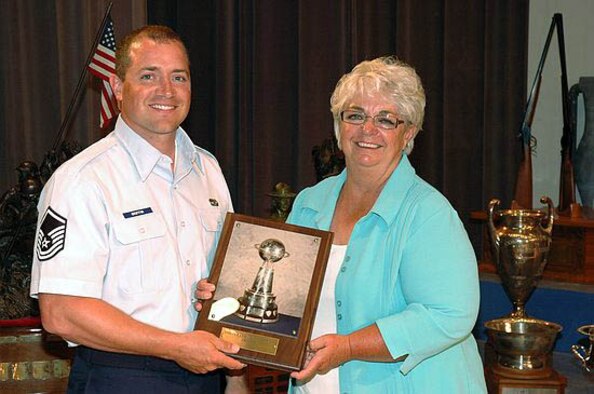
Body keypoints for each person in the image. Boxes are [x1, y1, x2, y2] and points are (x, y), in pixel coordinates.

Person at [30, 25, 248, 393]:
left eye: (178, 77)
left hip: (207, 372)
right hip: (122, 376)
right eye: (149, 76)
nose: (166, 90)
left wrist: (234, 381)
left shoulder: (208, 170)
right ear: (117, 88)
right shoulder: (83, 180)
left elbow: (223, 287)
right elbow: (61, 313)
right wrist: (177, 347)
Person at [287, 57, 487, 393]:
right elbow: (282, 291)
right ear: (339, 127)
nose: (368, 130)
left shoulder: (428, 214)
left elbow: (449, 314)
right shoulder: (309, 203)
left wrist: (349, 347)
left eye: (385, 119)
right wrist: (226, 298)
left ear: (408, 133)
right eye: (355, 115)